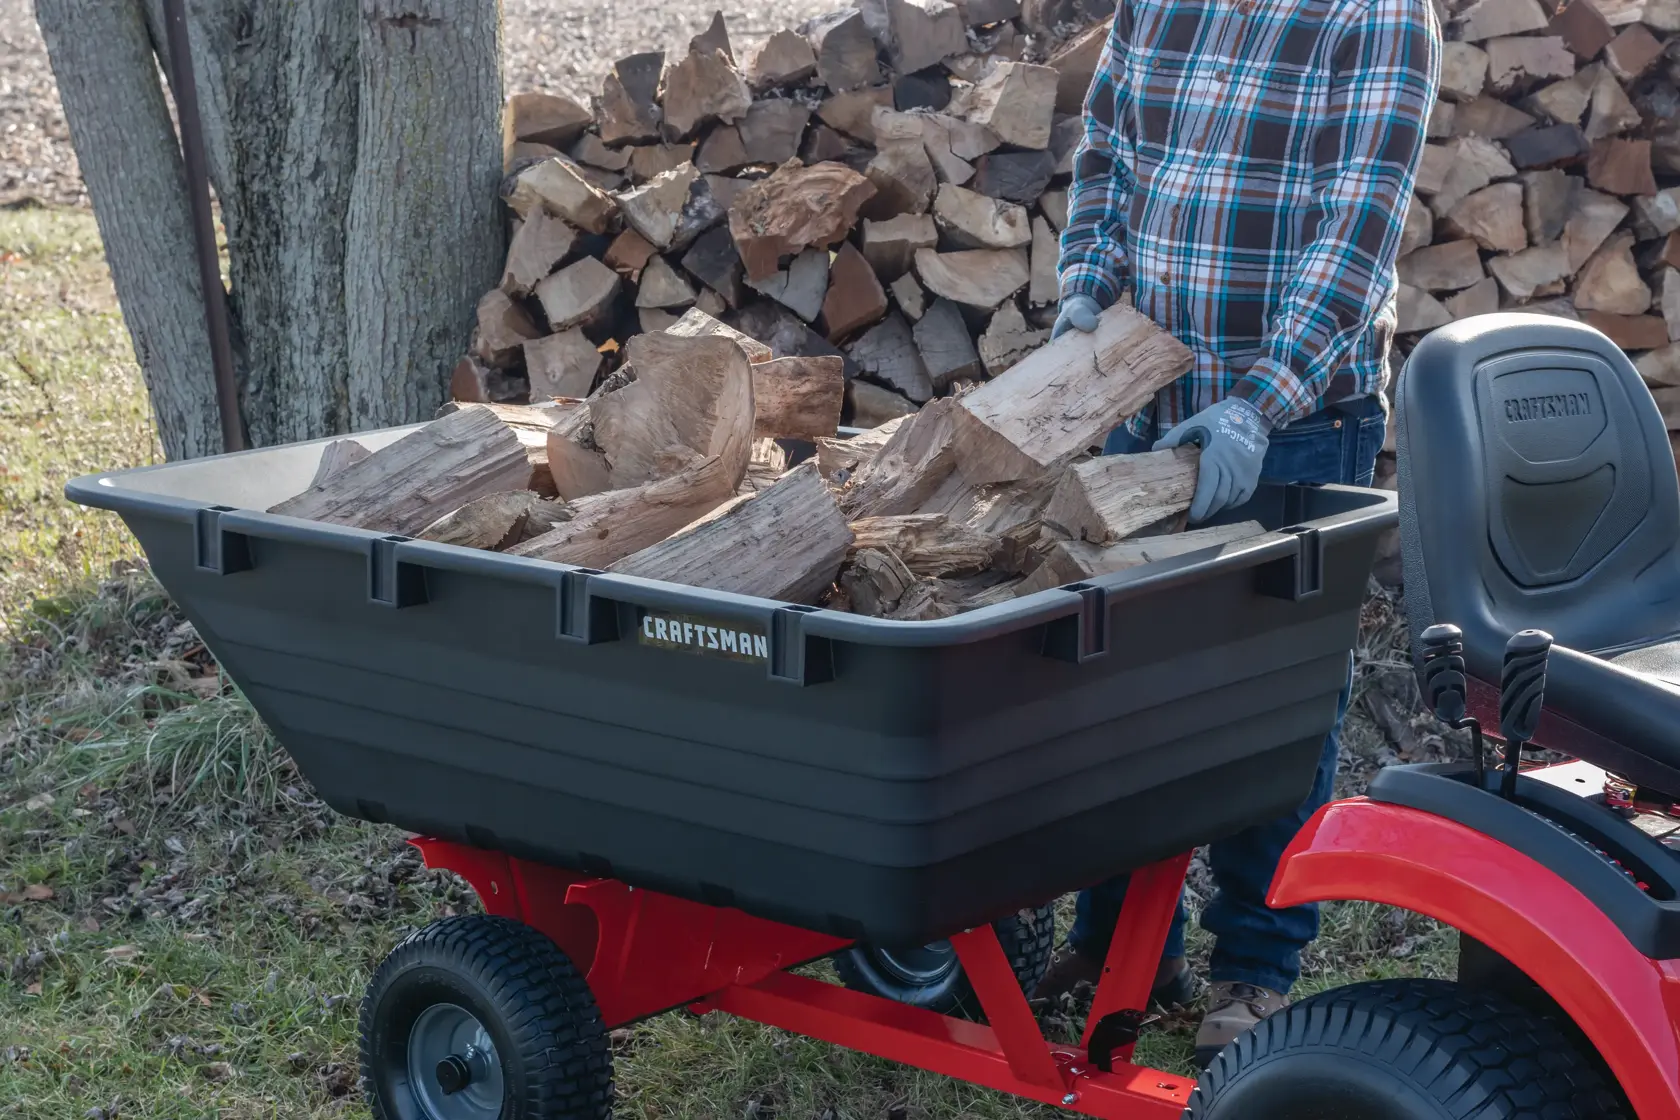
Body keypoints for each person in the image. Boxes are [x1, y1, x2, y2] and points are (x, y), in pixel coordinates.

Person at [1035, 0, 1442, 1066]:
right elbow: (1109, 153)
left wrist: (1262, 401)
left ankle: (1254, 969)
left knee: (1276, 704)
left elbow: (1357, 233)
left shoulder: (1379, 16)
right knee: (1117, 677)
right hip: (1146, 391)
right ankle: (1119, 943)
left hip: (1298, 421)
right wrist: (1088, 291)